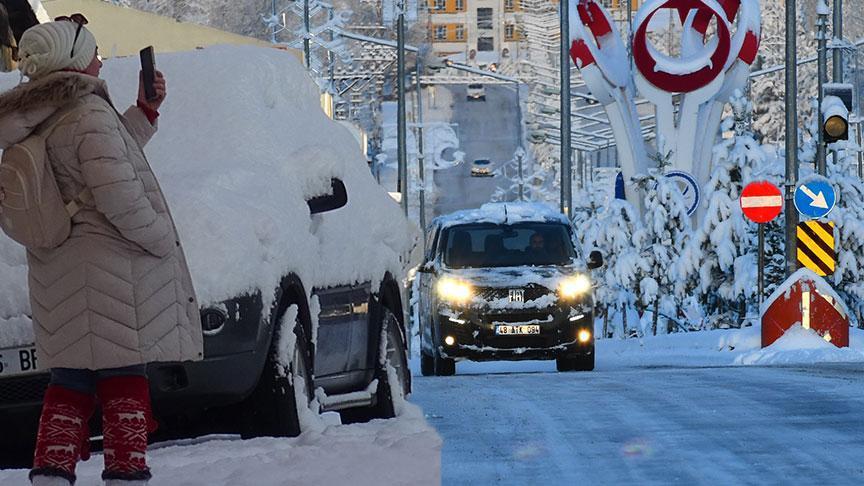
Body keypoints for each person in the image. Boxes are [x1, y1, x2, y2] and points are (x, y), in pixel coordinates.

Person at [0, 17, 202, 486]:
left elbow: (93, 160)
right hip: (111, 269)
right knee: (124, 377)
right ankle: (126, 473)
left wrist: (144, 113)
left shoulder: (37, 112)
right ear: (73, 59)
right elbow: (118, 193)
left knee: (70, 379)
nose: (100, 60)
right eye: (93, 52)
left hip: (57, 268)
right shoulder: (88, 113)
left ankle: (51, 473)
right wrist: (160, 238)